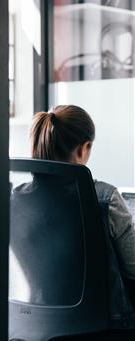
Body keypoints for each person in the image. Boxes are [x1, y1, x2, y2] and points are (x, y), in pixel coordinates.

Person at [29, 104, 135, 282]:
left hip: (28, 309)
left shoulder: (16, 198)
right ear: (83, 148)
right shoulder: (105, 199)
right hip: (103, 311)